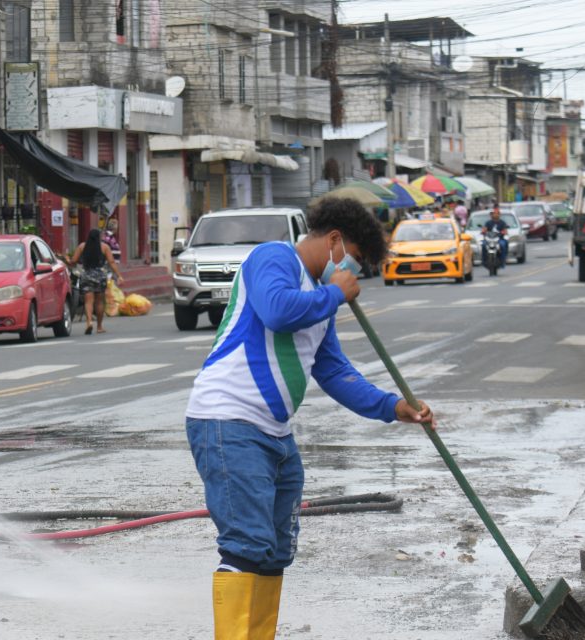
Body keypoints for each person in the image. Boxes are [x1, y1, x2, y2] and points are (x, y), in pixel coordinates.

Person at [185, 197, 435, 639]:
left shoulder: (320, 300)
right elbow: (278, 312)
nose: (354, 274)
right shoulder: (272, 259)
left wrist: (395, 407)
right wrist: (336, 292)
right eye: (355, 261)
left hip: (275, 435)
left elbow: (335, 371)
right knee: (246, 544)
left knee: (274, 550)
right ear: (335, 241)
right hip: (227, 421)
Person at [70, 228, 123, 335]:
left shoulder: (82, 246)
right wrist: (119, 276)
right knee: (99, 302)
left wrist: (68, 261)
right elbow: (112, 262)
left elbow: (74, 261)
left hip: (86, 275)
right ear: (99, 237)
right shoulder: (104, 247)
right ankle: (99, 326)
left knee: (88, 301)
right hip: (100, 276)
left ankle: (89, 322)